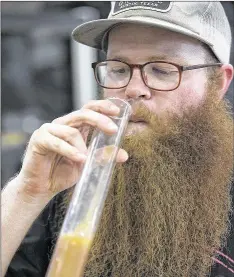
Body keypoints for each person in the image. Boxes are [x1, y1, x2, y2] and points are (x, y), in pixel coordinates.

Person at [2, 1, 234, 276]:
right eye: (118, 69)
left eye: (162, 70)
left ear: (217, 83)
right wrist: (26, 193)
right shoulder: (65, 174)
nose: (133, 89)